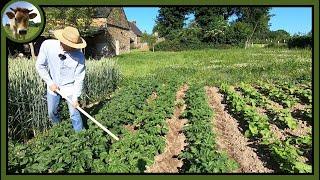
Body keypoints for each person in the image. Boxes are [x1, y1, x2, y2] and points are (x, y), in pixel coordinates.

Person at [35, 26, 87, 132]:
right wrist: (49, 82)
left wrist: (76, 97)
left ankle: (81, 136)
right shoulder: (48, 46)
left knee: (74, 113)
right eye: (71, 45)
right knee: (52, 112)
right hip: (53, 85)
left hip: (70, 87)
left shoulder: (79, 56)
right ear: (62, 41)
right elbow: (40, 65)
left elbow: (79, 78)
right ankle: (59, 131)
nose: (74, 48)